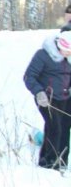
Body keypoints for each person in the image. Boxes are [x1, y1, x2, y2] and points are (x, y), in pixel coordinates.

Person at [23, 30, 71, 170]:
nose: (67, 54)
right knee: (55, 127)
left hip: (66, 98)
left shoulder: (69, 57)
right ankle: (50, 162)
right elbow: (29, 76)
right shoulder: (43, 55)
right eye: (66, 50)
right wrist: (39, 92)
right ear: (58, 45)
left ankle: (61, 161)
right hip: (47, 98)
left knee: (64, 127)